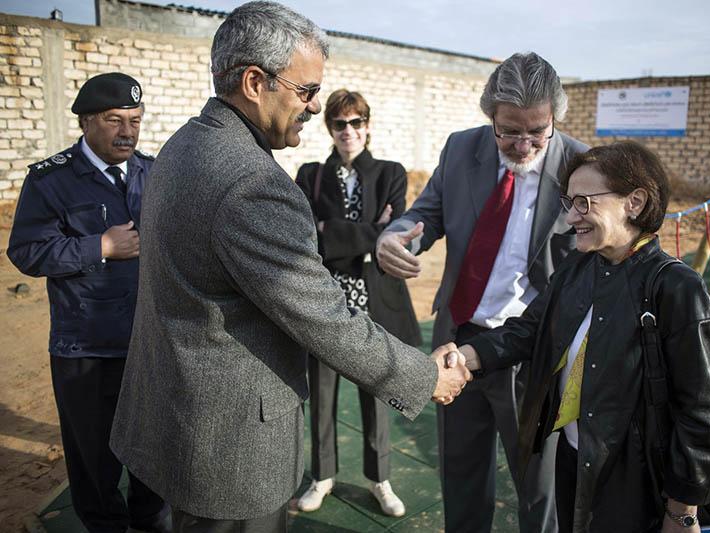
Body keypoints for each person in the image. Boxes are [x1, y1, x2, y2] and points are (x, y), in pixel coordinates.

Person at [107, 3, 470, 532]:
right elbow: (322, 317)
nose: (315, 106)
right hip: (231, 450)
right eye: (307, 91)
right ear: (255, 83)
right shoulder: (254, 183)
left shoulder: (186, 143)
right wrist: (425, 376)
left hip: (182, 418)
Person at [456, 141, 710, 532]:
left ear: (634, 202)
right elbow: (530, 329)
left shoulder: (676, 288)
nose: (570, 217)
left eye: (584, 203)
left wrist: (682, 510)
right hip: (575, 457)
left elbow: (701, 412)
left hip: (637, 479)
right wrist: (465, 356)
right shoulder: (579, 267)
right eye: (569, 202)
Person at [376, 52, 588, 532]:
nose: (523, 144)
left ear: (554, 118)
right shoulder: (461, 148)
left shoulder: (580, 165)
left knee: (540, 486)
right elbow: (426, 214)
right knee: (462, 475)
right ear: (490, 115)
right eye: (509, 131)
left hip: (530, 347)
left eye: (537, 131)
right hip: (457, 341)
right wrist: (394, 237)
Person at [7, 73, 170, 533]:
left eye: (135, 120)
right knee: (93, 462)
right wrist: (100, 246)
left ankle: (151, 521)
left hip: (147, 343)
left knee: (152, 453)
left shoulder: (153, 172)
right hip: (86, 348)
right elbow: (26, 251)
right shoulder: (51, 180)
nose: (128, 132)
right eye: (115, 120)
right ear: (85, 122)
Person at [294, 89, 420, 517]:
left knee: (377, 392)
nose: (348, 130)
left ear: (367, 125)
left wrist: (332, 231)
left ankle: (380, 478)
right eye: (339, 123)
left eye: (356, 122)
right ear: (329, 128)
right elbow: (306, 236)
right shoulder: (310, 174)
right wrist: (370, 232)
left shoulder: (391, 173)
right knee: (322, 395)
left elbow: (395, 236)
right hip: (325, 304)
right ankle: (322, 475)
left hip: (374, 303)